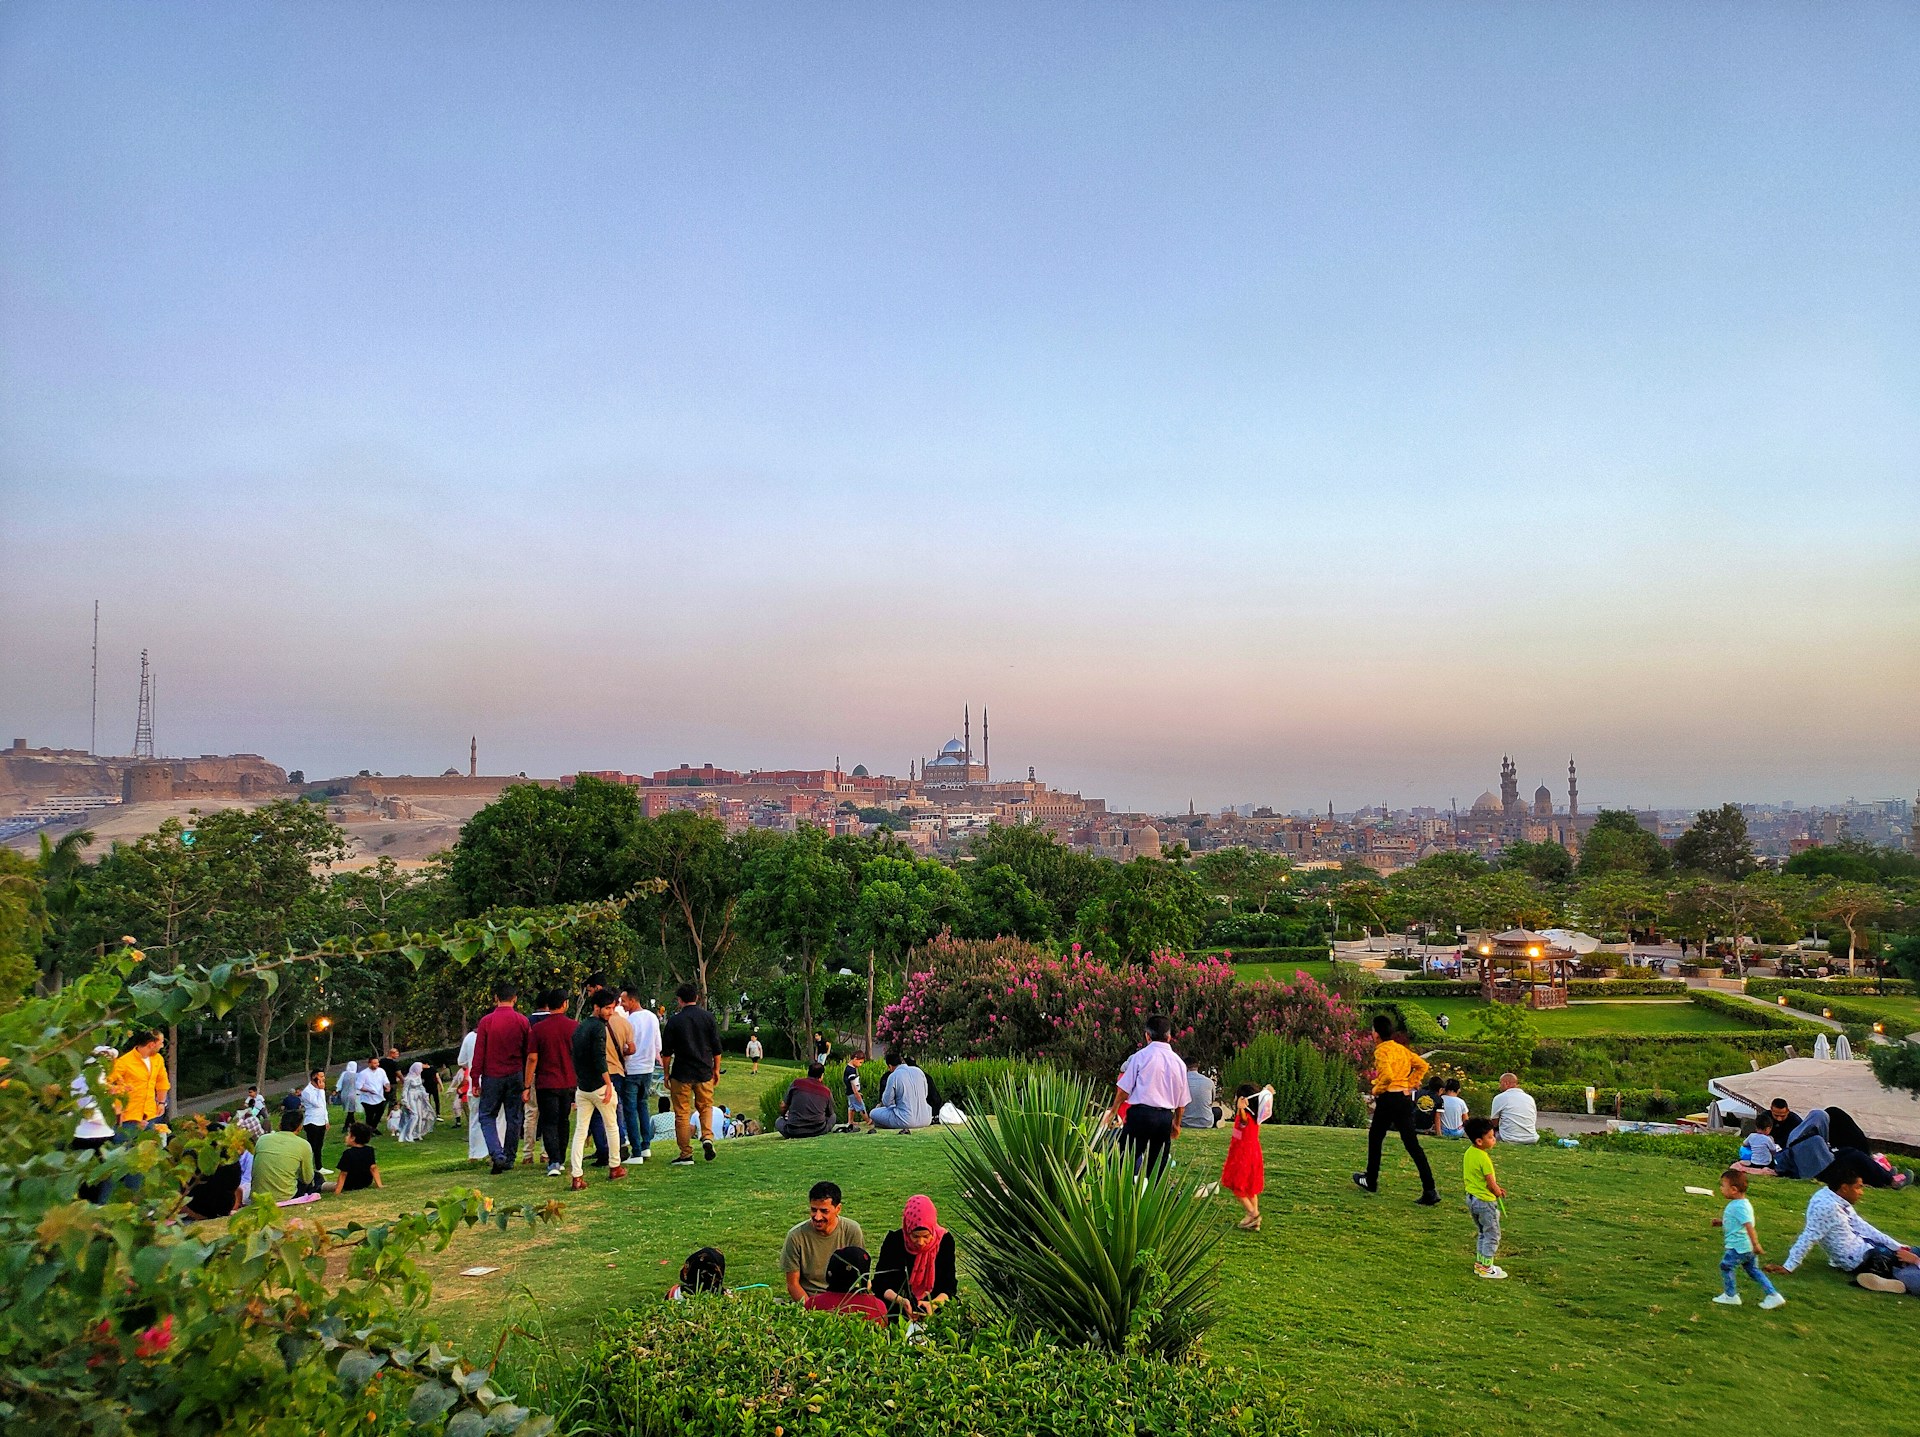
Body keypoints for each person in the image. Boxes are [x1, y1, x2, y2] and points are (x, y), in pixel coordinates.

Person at [1777, 1158, 1920, 1296]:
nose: (1861, 1192)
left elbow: (1863, 1226)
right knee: (1907, 1269)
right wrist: (1788, 1266)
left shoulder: (1834, 1198)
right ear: (1844, 1188)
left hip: (1868, 1247)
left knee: (1914, 1251)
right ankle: (1899, 1281)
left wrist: (1897, 1246)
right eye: (1858, 1188)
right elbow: (1809, 1236)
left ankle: (1897, 1278)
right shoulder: (1827, 1207)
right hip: (1864, 1258)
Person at [1353, 1014, 1440, 1204]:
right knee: (1412, 1144)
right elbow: (1422, 1065)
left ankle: (1371, 1179)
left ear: (1376, 1033)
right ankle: (1430, 1189)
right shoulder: (1401, 1049)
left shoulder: (1381, 1051)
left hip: (1389, 1098)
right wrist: (1410, 1083)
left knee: (1375, 1137)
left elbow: (1387, 1077)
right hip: (1403, 1098)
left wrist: (1376, 1089)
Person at [567, 987, 627, 1190]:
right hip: (599, 1086)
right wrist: (608, 1084)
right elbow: (599, 1057)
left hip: (583, 1086)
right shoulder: (599, 1028)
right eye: (608, 1008)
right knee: (612, 1126)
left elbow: (575, 1055)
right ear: (597, 1008)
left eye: (612, 1008)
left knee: (580, 1131)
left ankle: (577, 1176)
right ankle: (615, 1165)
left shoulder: (580, 1027)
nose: (611, 1012)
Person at [472, 981, 533, 1176]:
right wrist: (527, 1081)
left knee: (487, 1115)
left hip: (492, 1075)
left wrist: (475, 1078)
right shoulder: (522, 1021)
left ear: (496, 998)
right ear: (515, 999)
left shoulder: (486, 1022)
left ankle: (496, 1154)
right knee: (513, 1117)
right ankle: (509, 1156)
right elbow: (527, 1052)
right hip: (515, 1074)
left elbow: (479, 1053)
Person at [1110, 1016, 1186, 1173]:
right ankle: (1155, 1194)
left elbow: (1124, 1090)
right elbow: (1181, 1102)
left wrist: (1113, 1111)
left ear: (1147, 1035)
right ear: (1169, 1036)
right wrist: (1176, 1123)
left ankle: (1124, 1192)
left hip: (1141, 1114)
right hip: (1164, 1117)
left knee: (1125, 1160)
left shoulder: (1140, 1057)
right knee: (1157, 1164)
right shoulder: (1178, 1062)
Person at [661, 982, 724, 1167]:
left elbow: (666, 1052)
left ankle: (686, 1153)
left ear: (679, 1000)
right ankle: (707, 1136)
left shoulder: (674, 1021)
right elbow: (716, 1048)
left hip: (681, 1072)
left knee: (681, 1114)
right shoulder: (708, 1018)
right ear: (697, 998)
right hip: (704, 1071)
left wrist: (666, 1074)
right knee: (705, 1107)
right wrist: (716, 1069)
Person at [526, 987, 583, 1177]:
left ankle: (554, 1160)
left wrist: (526, 1085)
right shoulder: (574, 1026)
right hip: (568, 1081)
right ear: (565, 1004)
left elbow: (532, 1058)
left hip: (546, 1082)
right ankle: (561, 1157)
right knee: (563, 1121)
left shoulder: (538, 1029)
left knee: (549, 1121)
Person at [874, 1194, 957, 1321]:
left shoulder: (945, 1242)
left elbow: (949, 1286)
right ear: (907, 1230)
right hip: (898, 1308)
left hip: (935, 1307)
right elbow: (880, 1284)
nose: (921, 1242)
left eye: (926, 1236)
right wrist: (902, 1301)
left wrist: (932, 1305)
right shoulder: (894, 1241)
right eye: (915, 1236)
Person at [782, 1181, 867, 1301]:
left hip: (844, 1299)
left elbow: (861, 1276)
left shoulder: (852, 1230)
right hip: (811, 1299)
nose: (817, 1217)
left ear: (838, 1209)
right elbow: (792, 1284)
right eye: (813, 1210)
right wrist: (811, 1310)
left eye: (824, 1211)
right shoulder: (795, 1236)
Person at [1713, 1167, 1784, 1308]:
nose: (1721, 1189)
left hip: (1739, 1247)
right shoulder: (1740, 1204)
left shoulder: (1739, 1206)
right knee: (1753, 1271)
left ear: (1733, 1189)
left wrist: (1756, 1244)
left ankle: (1730, 1295)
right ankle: (1773, 1295)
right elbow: (1736, 1222)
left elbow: (1748, 1226)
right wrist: (1720, 1222)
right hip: (1746, 1247)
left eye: (1723, 1186)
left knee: (1726, 1266)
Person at [619, 988, 662, 1165]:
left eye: (623, 1001)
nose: (621, 1004)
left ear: (633, 1001)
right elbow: (658, 1044)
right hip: (647, 1068)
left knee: (630, 1110)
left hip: (632, 1068)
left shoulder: (629, 1021)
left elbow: (626, 1046)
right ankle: (646, 1145)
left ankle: (636, 1151)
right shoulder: (652, 1017)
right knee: (642, 1105)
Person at [1462, 1117, 1507, 1279]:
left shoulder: (1469, 1153)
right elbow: (1490, 1183)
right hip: (1485, 1202)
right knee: (1492, 1234)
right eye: (1490, 1137)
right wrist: (1498, 1191)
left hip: (1472, 1198)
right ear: (1479, 1141)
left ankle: (1480, 1263)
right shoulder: (1484, 1159)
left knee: (1482, 1232)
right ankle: (1486, 1268)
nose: (1494, 1139)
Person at [1221, 1083, 1265, 1230]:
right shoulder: (1256, 1115)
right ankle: (1254, 1221)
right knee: (1250, 1187)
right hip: (1254, 1152)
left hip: (1242, 1154)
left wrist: (1240, 1108)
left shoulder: (1244, 1116)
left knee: (1237, 1185)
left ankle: (1253, 1213)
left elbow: (1243, 1122)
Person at [107, 1030, 170, 1132]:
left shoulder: (158, 1059)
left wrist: (161, 1102)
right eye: (161, 1043)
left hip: (150, 1114)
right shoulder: (124, 1062)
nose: (162, 1046)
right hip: (129, 1117)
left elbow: (162, 1082)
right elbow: (106, 1083)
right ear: (151, 1045)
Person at [252, 1111, 318, 1206]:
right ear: (299, 1127)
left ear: (280, 1125)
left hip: (258, 1195)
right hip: (285, 1196)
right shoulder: (303, 1145)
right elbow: (307, 1179)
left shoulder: (262, 1139)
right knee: (316, 1177)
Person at [870, 1052, 934, 1133]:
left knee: (873, 1113)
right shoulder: (919, 1071)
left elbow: (886, 1102)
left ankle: (883, 1124)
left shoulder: (894, 1076)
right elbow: (925, 1094)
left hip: (906, 1120)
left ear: (890, 1066)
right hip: (926, 1118)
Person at [776, 1063, 837, 1139]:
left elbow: (783, 1106)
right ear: (822, 1076)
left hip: (794, 1130)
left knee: (779, 1121)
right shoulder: (826, 1091)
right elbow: (830, 1113)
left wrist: (783, 1116)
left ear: (808, 1073)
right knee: (833, 1116)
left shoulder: (796, 1083)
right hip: (817, 1130)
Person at [1488, 1073, 1539, 1146]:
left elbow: (1494, 1123)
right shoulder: (1529, 1098)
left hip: (1509, 1138)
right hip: (1531, 1138)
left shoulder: (1500, 1098)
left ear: (1506, 1083)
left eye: (1500, 1083)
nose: (1499, 1086)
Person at [333, 1121, 383, 1193]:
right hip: (366, 1182)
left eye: (348, 1135)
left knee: (324, 1185)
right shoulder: (369, 1150)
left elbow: (343, 1174)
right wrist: (380, 1185)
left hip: (349, 1185)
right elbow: (373, 1168)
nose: (346, 1137)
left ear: (353, 1138)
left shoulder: (348, 1153)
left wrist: (337, 1191)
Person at [297, 1068, 331, 1173]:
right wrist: (321, 1090)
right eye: (320, 1076)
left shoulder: (319, 1090)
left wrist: (326, 1120)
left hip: (321, 1120)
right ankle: (307, 1167)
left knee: (319, 1145)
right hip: (312, 1121)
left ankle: (319, 1167)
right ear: (314, 1077)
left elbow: (324, 1106)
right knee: (312, 1146)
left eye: (323, 1076)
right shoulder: (308, 1091)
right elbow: (317, 1104)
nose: (323, 1079)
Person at [395, 1061, 435, 1142]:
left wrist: (425, 1094)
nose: (421, 1070)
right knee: (414, 1115)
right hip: (411, 1097)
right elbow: (405, 1090)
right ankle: (409, 1134)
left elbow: (421, 1087)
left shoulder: (418, 1077)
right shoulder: (409, 1079)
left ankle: (417, 1133)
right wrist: (405, 1100)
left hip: (419, 1097)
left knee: (420, 1115)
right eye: (420, 1068)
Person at [356, 1057, 392, 1134]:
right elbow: (359, 1086)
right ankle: (369, 1131)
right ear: (369, 1064)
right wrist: (368, 1090)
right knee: (370, 1115)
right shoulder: (363, 1073)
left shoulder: (381, 1071)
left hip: (379, 1097)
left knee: (380, 1112)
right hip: (367, 1098)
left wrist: (387, 1086)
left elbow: (385, 1081)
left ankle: (373, 1128)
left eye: (377, 1063)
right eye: (375, 1063)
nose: (377, 1064)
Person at [1183, 1058, 1218, 1131]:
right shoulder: (1209, 1081)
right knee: (1217, 1111)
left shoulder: (1181, 1081)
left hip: (1184, 1121)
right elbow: (1211, 1101)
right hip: (1206, 1122)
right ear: (1197, 1066)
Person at [843, 1053, 869, 1126]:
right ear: (855, 1058)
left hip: (849, 1092)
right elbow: (853, 1084)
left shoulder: (848, 1068)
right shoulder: (851, 1071)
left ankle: (850, 1121)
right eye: (860, 1062)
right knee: (861, 1106)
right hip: (853, 1092)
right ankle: (868, 1120)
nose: (860, 1065)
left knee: (851, 1107)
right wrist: (857, 1094)